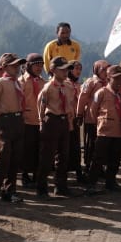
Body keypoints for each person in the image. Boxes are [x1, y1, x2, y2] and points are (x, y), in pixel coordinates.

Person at [0, 53, 27, 206]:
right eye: (14, 65)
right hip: (5, 122)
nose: (17, 67)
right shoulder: (0, 82)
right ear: (4, 67)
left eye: (18, 65)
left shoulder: (17, 83)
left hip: (17, 120)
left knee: (15, 158)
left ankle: (9, 191)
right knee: (4, 158)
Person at [35, 56, 76, 198]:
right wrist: (41, 123)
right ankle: (41, 187)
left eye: (67, 69)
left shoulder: (69, 86)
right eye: (62, 69)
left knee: (64, 156)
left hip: (64, 121)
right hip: (51, 121)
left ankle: (60, 186)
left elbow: (70, 105)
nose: (66, 72)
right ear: (53, 70)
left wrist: (70, 122)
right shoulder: (48, 88)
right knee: (47, 156)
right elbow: (41, 105)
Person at [83, 64, 121, 193]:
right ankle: (92, 184)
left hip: (118, 131)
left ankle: (110, 182)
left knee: (115, 158)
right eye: (116, 79)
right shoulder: (101, 92)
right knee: (98, 159)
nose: (119, 82)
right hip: (104, 132)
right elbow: (93, 111)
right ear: (108, 79)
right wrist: (100, 125)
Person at [77, 60, 109, 178]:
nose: (106, 72)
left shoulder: (108, 83)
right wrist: (79, 114)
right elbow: (82, 98)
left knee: (101, 144)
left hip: (104, 120)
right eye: (103, 70)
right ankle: (89, 166)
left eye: (107, 70)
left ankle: (99, 166)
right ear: (97, 70)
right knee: (91, 143)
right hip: (92, 119)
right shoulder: (90, 82)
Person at [19, 53, 46, 187]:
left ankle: (36, 174)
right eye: (36, 65)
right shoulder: (21, 81)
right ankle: (25, 175)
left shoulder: (42, 82)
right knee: (26, 149)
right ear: (29, 66)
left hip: (40, 120)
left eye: (41, 65)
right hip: (26, 120)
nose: (39, 68)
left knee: (38, 149)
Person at [66, 60, 85, 182]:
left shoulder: (78, 85)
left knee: (76, 146)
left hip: (75, 119)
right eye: (75, 69)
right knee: (65, 146)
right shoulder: (65, 84)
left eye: (80, 69)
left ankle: (78, 171)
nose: (78, 71)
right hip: (66, 119)